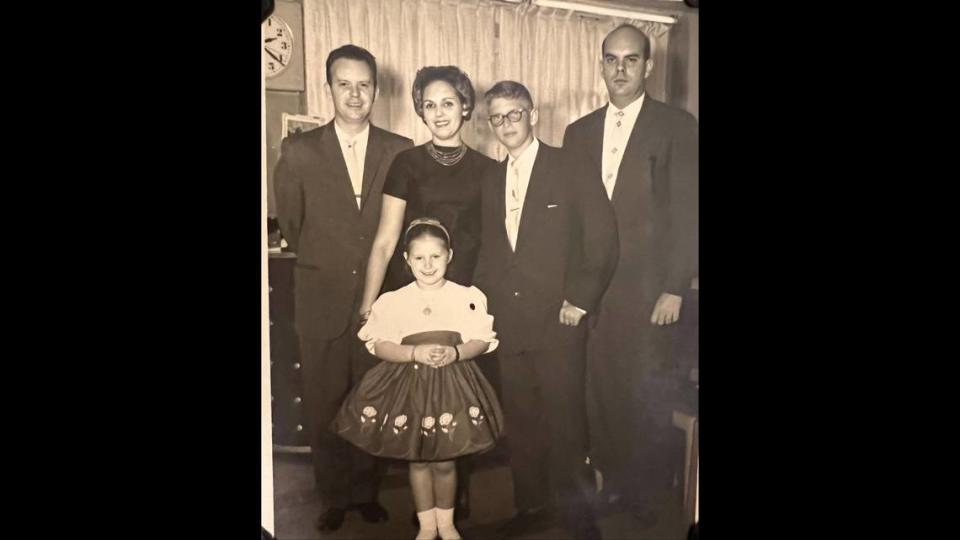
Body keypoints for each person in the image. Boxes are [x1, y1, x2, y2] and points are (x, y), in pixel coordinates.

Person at [562, 24, 699, 527]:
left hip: (649, 291)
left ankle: (645, 493)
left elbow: (688, 213)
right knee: (600, 390)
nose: (620, 69)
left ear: (647, 66)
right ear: (600, 64)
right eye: (611, 59)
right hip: (594, 292)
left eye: (631, 59)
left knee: (644, 390)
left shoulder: (678, 127)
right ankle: (614, 483)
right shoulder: (577, 133)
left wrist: (674, 287)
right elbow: (571, 221)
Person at [273, 44, 413, 533]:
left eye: (364, 84)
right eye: (344, 84)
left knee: (371, 399)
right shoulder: (300, 150)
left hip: (381, 302)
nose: (355, 94)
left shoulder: (400, 149)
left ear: (376, 89)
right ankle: (333, 494)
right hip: (321, 299)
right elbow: (291, 220)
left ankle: (366, 490)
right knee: (325, 401)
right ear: (329, 86)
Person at [473, 81, 619, 540]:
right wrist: (479, 306)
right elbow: (492, 250)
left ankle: (579, 518)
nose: (505, 125)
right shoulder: (491, 178)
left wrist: (579, 299)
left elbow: (602, 240)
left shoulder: (569, 166)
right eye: (496, 118)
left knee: (566, 422)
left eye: (513, 114)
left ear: (532, 114)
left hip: (559, 319)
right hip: (510, 325)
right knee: (522, 424)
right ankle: (531, 507)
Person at [357, 65, 497, 520]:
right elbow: (384, 239)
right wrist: (367, 304)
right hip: (416, 308)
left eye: (448, 103)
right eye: (429, 105)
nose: (438, 113)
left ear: (466, 107)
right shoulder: (406, 164)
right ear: (420, 110)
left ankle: (454, 505)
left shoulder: (490, 170)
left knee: (462, 408)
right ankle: (428, 515)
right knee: (421, 415)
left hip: (465, 310)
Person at [333, 218, 504, 540]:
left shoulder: (465, 297)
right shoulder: (394, 301)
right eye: (419, 258)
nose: (428, 265)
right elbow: (379, 344)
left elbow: (481, 339)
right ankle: (427, 527)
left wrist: (456, 353)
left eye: (435, 257)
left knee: (446, 460)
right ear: (406, 260)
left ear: (449, 256)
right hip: (409, 387)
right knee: (419, 459)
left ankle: (447, 524)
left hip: (453, 387)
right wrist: (412, 354)